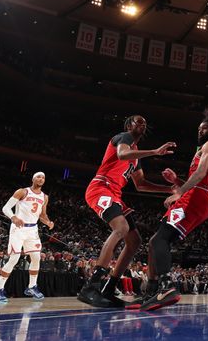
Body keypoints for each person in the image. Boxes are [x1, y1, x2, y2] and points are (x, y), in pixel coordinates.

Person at [128, 106, 208, 311]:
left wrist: (179, 191)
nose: (199, 131)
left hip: (197, 197)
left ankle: (167, 286)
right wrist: (177, 180)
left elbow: (202, 174)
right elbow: (203, 179)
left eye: (203, 128)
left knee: (161, 239)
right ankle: (151, 292)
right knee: (153, 242)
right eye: (199, 129)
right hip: (202, 197)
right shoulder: (207, 150)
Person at [78, 115, 177, 307]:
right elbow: (122, 154)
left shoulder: (136, 155)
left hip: (115, 193)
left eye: (144, 122)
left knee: (134, 241)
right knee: (121, 228)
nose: (142, 123)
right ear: (128, 125)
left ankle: (109, 287)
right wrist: (155, 151)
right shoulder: (124, 137)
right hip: (101, 187)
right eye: (138, 121)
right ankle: (91, 287)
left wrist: (169, 189)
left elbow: (140, 185)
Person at [0, 172, 54, 302]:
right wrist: (13, 217)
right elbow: (6, 208)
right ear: (33, 179)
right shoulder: (22, 192)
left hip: (32, 230)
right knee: (14, 258)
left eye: (43, 178)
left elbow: (42, 215)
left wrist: (48, 222)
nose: (41, 179)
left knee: (36, 258)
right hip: (18, 228)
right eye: (38, 177)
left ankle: (31, 286)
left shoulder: (44, 197)